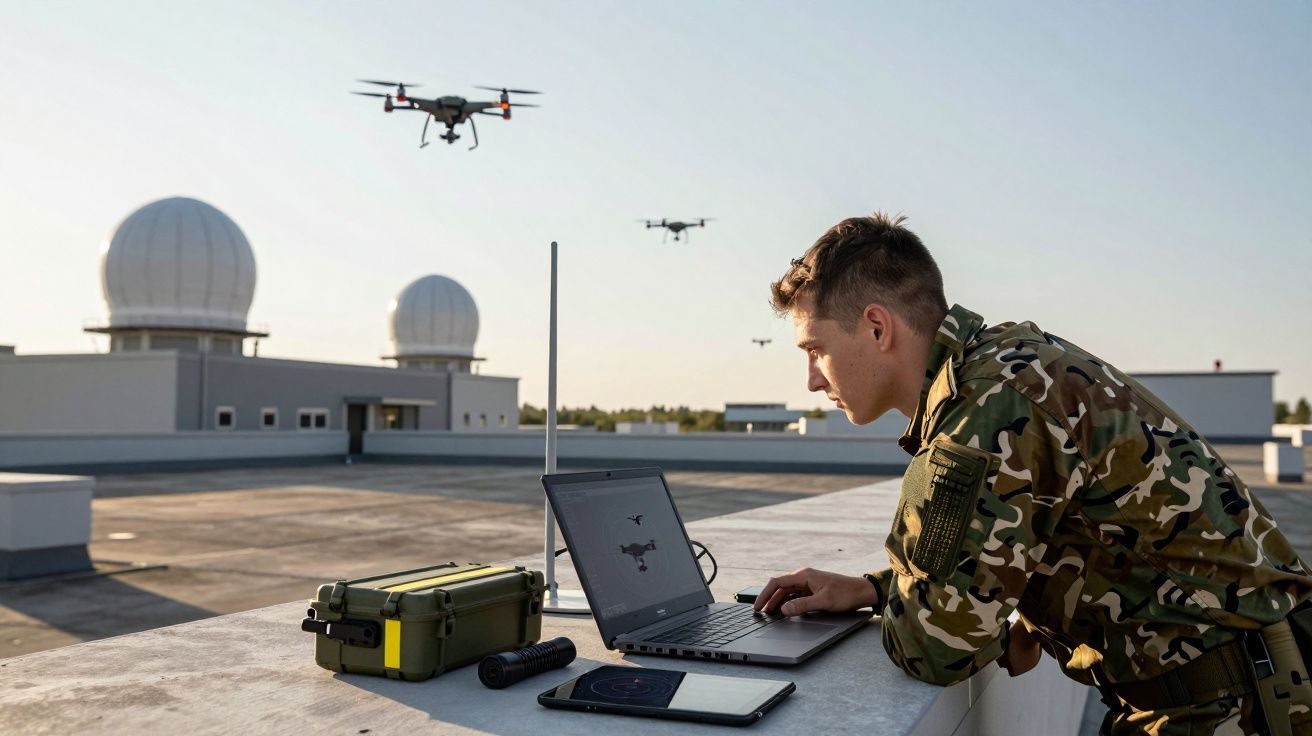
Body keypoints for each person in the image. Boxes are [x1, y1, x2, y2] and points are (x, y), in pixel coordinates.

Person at [753, 213, 1312, 735]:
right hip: (1242, 684)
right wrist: (871, 588)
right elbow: (987, 572)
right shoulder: (1006, 362)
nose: (811, 380)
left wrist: (901, 593)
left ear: (877, 327)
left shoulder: (986, 412)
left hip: (1235, 705)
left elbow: (935, 645)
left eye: (815, 349)